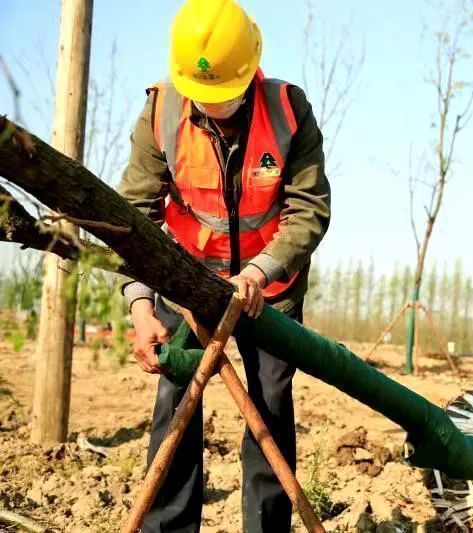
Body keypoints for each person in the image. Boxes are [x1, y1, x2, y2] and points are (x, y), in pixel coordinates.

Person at [116, 0, 330, 530]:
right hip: (186, 282)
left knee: (270, 406)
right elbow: (132, 218)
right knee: (176, 397)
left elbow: (309, 209)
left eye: (224, 95)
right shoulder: (161, 111)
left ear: (251, 68)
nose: (211, 106)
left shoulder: (288, 110)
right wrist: (141, 305)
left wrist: (261, 271)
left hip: (270, 288)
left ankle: (267, 525)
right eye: (201, 96)